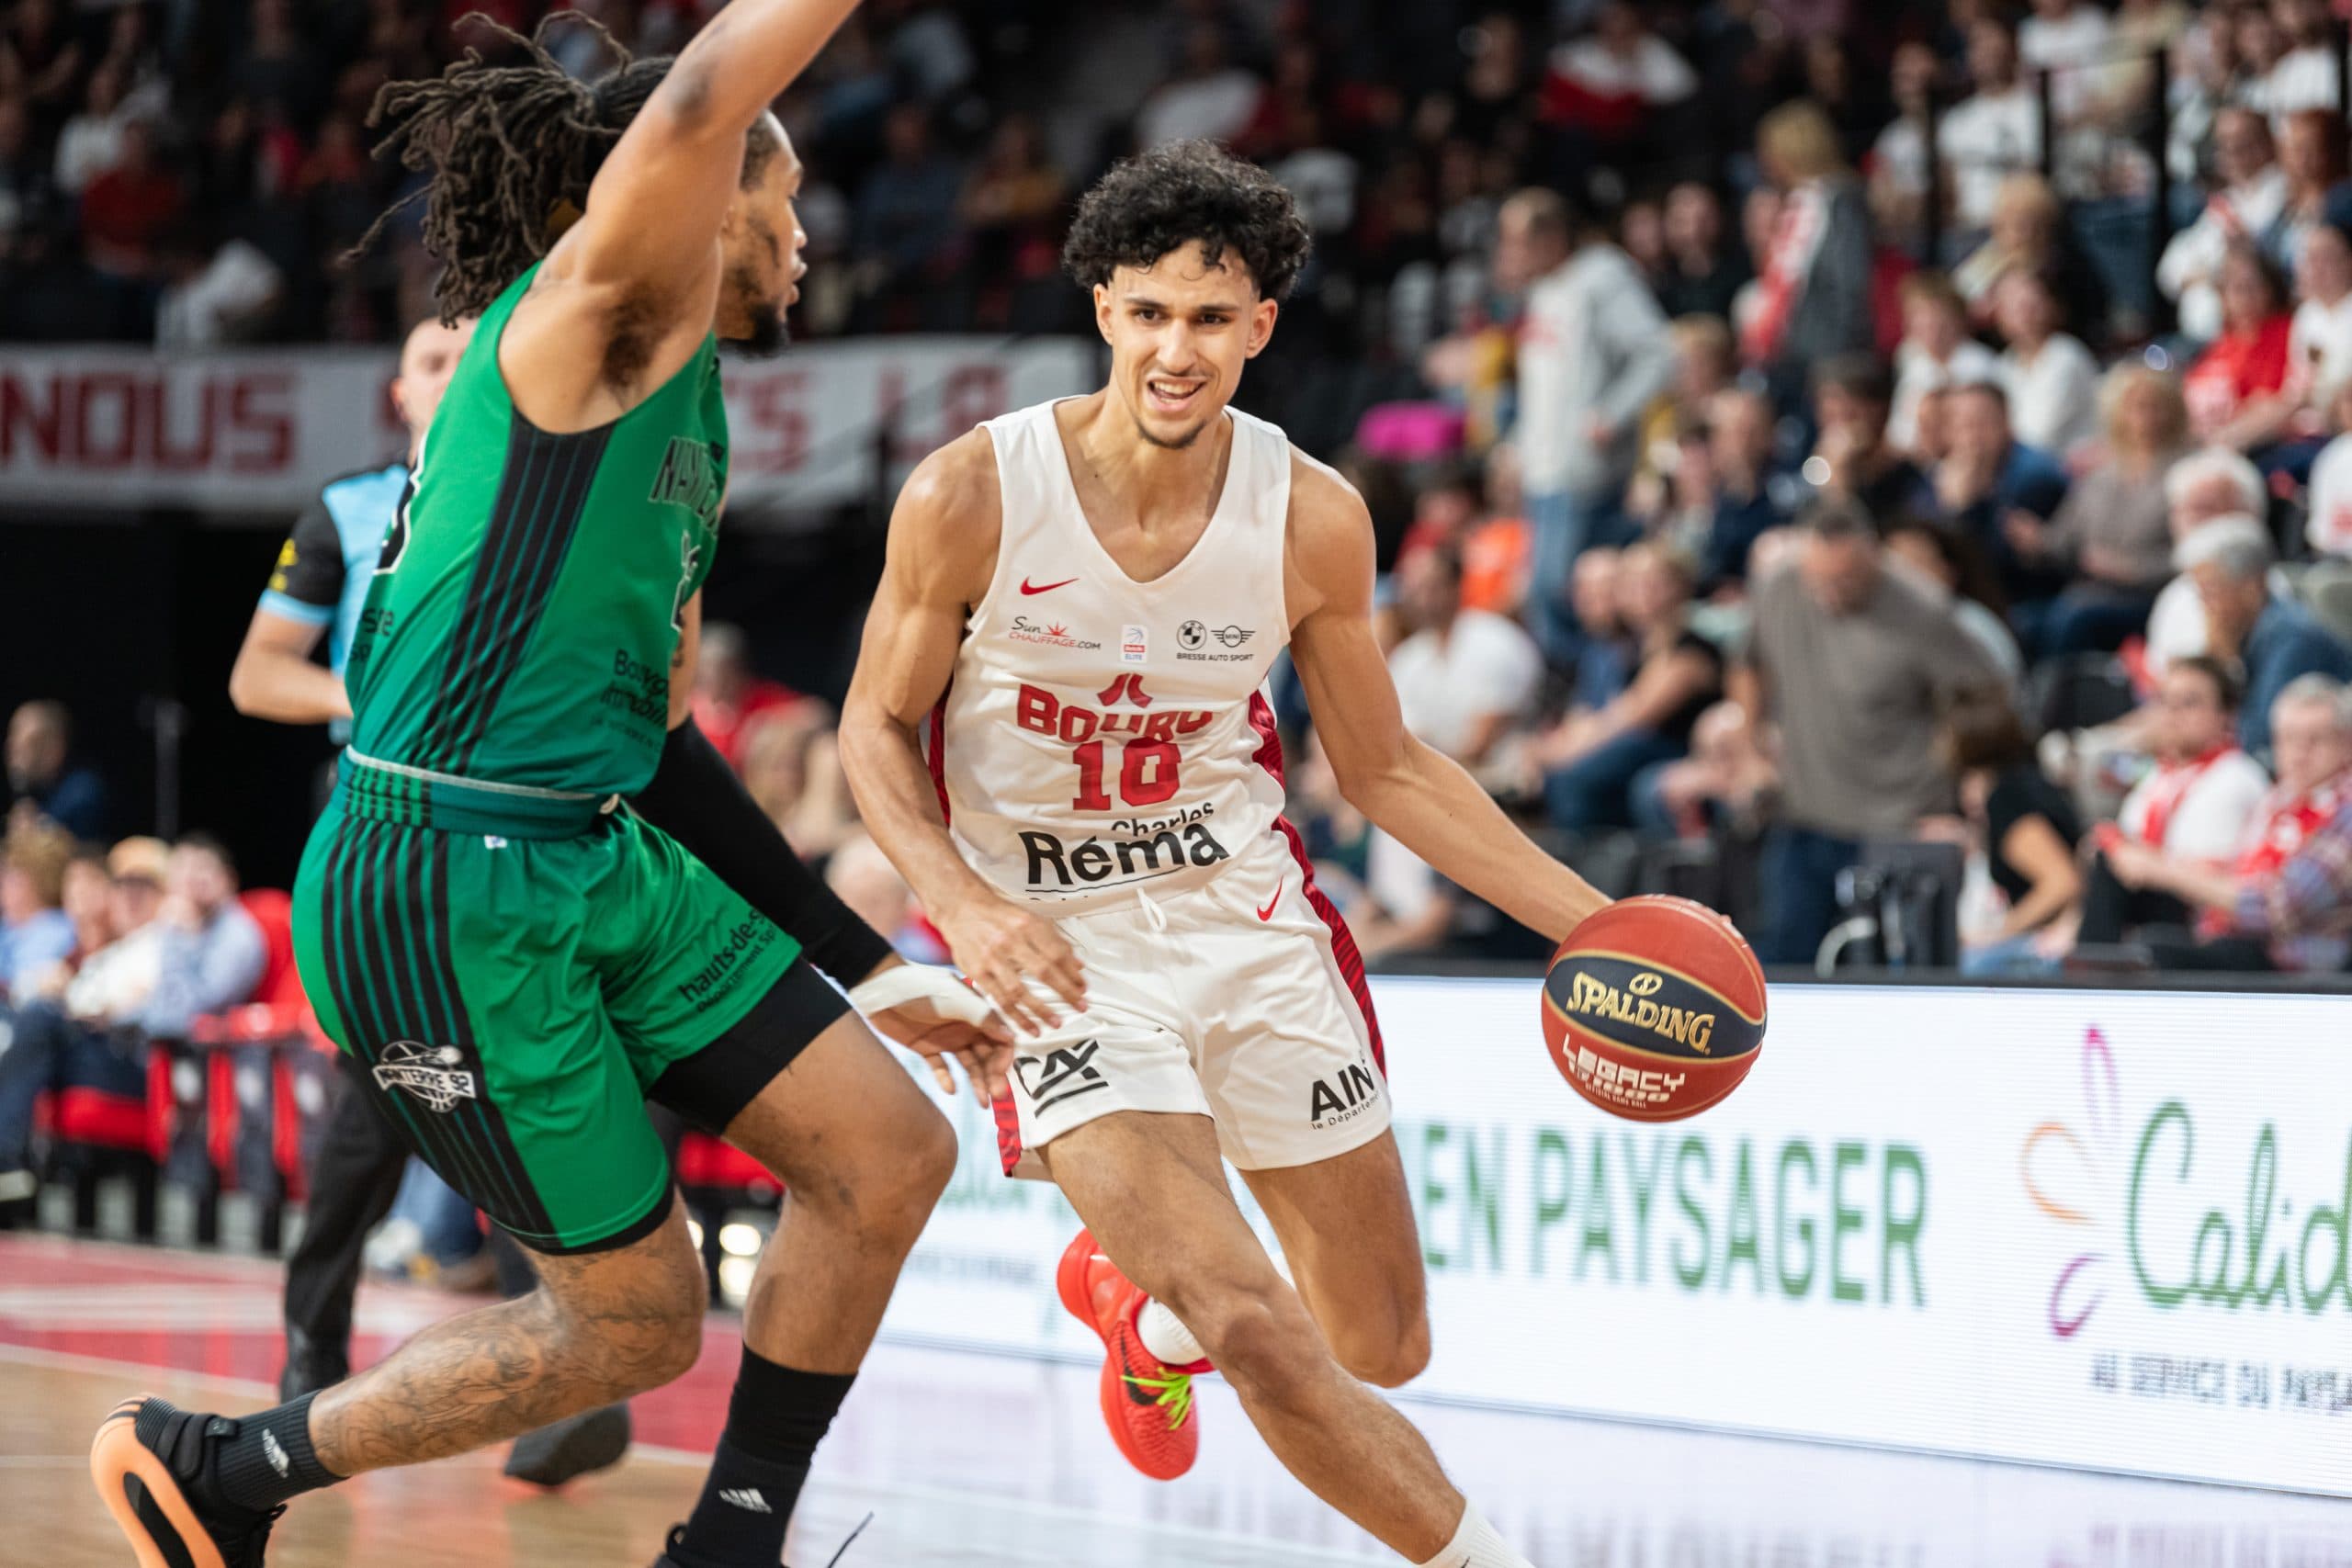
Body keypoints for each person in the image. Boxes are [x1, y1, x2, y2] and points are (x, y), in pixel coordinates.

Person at [91, 12, 1012, 1568]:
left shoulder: (689, 414)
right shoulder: (596, 319)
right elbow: (705, 95)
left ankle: (729, 1545)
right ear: (704, 198)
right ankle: (223, 1465)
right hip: (437, 877)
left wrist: (866, 968)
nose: (804, 237)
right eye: (784, 200)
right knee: (637, 1319)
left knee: (888, 1153)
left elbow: (654, 740)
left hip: (590, 845)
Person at [838, 140, 1607, 1568]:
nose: (1174, 349)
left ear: (1261, 324)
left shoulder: (1312, 512)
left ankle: (1142, 1312)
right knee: (1257, 1323)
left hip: (1247, 916)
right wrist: (960, 906)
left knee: (1381, 1341)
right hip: (1058, 951)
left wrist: (1596, 919)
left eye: (1209, 317)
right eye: (1147, 312)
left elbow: (1385, 767)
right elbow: (874, 728)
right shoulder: (972, 492)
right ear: (1102, 309)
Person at [232, 305, 638, 1484]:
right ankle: (320, 1348)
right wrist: (384, 702)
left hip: (533, 837)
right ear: (400, 394)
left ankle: (545, 1383)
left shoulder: (563, 495)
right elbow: (258, 676)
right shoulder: (348, 509)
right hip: (388, 838)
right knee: (403, 1097)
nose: (456, 371)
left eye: (473, 354)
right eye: (430, 359)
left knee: (502, 1086)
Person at [1731, 501, 2006, 964]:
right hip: (1804, 813)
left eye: (1846, 580)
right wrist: (1750, 745)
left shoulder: (1922, 608)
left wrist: (1962, 786)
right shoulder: (1779, 588)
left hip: (1897, 823)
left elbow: (1985, 697)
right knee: (1784, 959)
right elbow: (1747, 663)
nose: (1830, 593)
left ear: (1875, 558)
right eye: (1819, 580)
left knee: (1884, 971)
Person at [0, 837, 266, 1203]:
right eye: (123, 886)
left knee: (38, 1019)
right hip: (118, 1044)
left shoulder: (220, 933)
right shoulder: (140, 941)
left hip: (161, 1061)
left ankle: (7, 1159)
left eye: (144, 887)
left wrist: (123, 1009)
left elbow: (185, 1014)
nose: (194, 881)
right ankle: (9, 1161)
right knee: (25, 1020)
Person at [1495, 186, 1673, 665]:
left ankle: (1601, 681)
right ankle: (1580, 685)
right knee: (1544, 596)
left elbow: (1657, 352)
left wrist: (1612, 414)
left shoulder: (1602, 277)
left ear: (1552, 237)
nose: (1508, 252)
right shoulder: (1542, 291)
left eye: (1517, 240)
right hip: (1544, 473)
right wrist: (1518, 445)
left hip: (1586, 472)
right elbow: (1545, 384)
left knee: (1569, 591)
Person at [2099, 673, 2352, 971]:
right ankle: (2081, 974)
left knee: (2152, 952)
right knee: (2110, 868)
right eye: (2289, 738)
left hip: (2287, 965)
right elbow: (2238, 870)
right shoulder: (2278, 799)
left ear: (2346, 744)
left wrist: (2161, 870)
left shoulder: (2344, 814)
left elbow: (2279, 907)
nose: (2300, 752)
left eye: (2316, 739)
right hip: (2234, 940)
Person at [2077, 656, 2273, 944]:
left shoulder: (2238, 777)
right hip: (2149, 914)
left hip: (2204, 924)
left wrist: (2138, 860)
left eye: (2189, 703)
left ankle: (2089, 964)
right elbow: (2127, 855)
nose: (2173, 715)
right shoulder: (2159, 774)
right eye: (2165, 702)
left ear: (2226, 715)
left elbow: (2220, 880)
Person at [1536, 542, 1723, 833]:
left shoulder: (1690, 652)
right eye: (1634, 584)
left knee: (1576, 779)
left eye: (1655, 583)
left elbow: (1635, 715)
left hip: (1681, 751)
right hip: (1639, 751)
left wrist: (1565, 752)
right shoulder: (1630, 650)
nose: (1643, 593)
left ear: (1681, 587)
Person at [2006, 364, 2189, 659]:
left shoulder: (2190, 473)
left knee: (2077, 618)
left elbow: (2196, 556)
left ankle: (2058, 689)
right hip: (2089, 592)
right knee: (2018, 622)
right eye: (2135, 407)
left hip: (2149, 597)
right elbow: (2064, 542)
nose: (2145, 418)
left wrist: (2131, 570)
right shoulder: (2099, 477)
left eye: (2155, 406)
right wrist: (2037, 540)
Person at [1932, 685, 2084, 974]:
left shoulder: (2009, 799)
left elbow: (2062, 882)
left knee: (1964, 966)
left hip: (2050, 950)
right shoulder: (2016, 786)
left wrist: (1998, 935)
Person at [2186, 516, 2352, 758]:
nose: (2206, 608)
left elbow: (2261, 739)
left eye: (2211, 592)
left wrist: (2224, 665)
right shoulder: (2248, 633)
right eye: (2201, 596)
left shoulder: (2293, 636)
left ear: (2251, 588)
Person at [2155, 107, 2287, 344]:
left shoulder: (2282, 193)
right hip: (2205, 336)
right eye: (2225, 144)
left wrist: (2209, 274)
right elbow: (2170, 271)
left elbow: (2252, 267)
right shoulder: (2227, 201)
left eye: (2244, 141)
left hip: (2252, 332)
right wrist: (2209, 275)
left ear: (2267, 143)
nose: (2234, 151)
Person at [2183, 243, 2293, 446]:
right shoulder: (2222, 344)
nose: (2246, 298)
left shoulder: (2285, 333)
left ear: (2270, 290)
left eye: (2254, 287)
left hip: (2259, 442)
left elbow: (2269, 404)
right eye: (2237, 289)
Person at [1890, 272, 2003, 457]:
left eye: (1935, 314)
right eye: (1917, 314)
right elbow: (1898, 435)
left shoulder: (1981, 365)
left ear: (1957, 318)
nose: (1927, 323)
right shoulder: (1912, 362)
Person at [1994, 267, 2101, 459]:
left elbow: (2040, 435)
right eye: (2013, 305)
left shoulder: (2067, 355)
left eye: (2031, 304)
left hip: (2069, 468)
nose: (2024, 313)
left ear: (2051, 306)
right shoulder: (2004, 364)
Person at [5, 700, 109, 842]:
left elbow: (81, 844)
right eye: (13, 740)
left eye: (27, 743)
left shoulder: (83, 791)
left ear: (53, 750)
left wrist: (38, 831)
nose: (12, 751)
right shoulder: (36, 793)